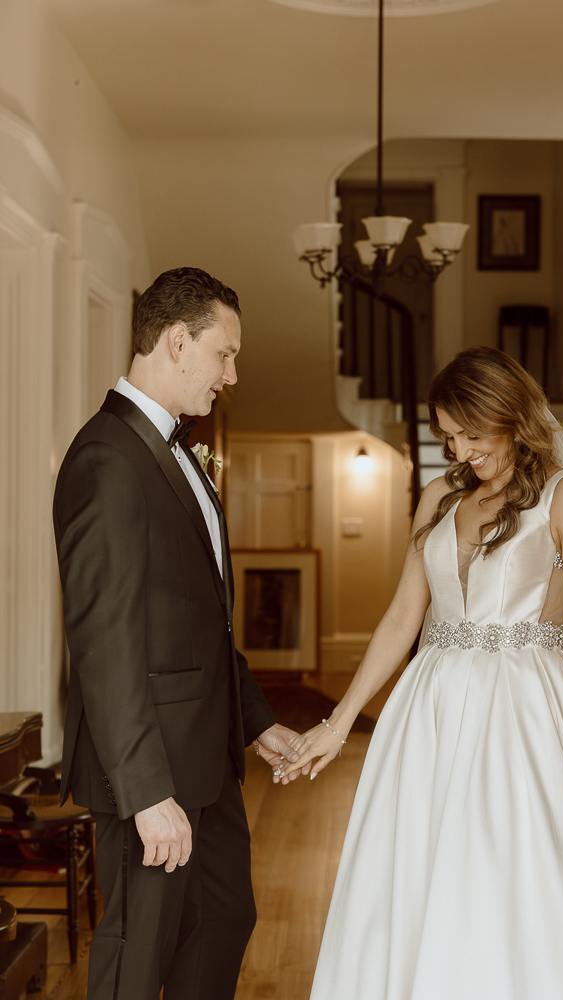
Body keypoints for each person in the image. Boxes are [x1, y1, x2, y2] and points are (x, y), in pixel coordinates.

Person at [285, 346, 563, 999]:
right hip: (428, 711)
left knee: (526, 876)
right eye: (447, 437)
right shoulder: (437, 497)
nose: (459, 452)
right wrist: (336, 722)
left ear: (510, 414)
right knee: (420, 873)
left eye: (470, 433)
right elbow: (403, 616)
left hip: (528, 713)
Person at [53, 267, 302, 1000]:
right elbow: (104, 643)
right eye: (224, 354)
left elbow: (196, 622)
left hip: (207, 760)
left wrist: (253, 720)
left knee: (223, 919)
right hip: (153, 772)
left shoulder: (173, 451)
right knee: (140, 954)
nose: (232, 373)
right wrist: (144, 791)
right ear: (177, 340)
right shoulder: (107, 461)